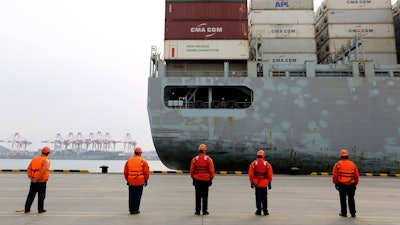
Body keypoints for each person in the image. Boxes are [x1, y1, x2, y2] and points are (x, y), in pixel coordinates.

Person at [332, 149, 359, 218]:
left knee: (343, 199)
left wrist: (335, 182)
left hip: (342, 184)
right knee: (351, 198)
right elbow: (356, 175)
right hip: (351, 184)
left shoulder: (338, 164)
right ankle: (353, 213)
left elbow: (335, 175)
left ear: (341, 156)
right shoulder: (353, 164)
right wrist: (356, 183)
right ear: (348, 156)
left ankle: (344, 212)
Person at [24, 146, 51, 213]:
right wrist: (37, 178)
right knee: (41, 195)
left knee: (31, 195)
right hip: (41, 181)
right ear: (48, 153)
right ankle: (40, 209)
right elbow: (43, 170)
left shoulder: (35, 158)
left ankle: (27, 209)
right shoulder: (46, 160)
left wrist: (30, 177)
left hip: (33, 180)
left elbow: (29, 168)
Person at [190, 144, 215, 216]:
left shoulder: (194, 159)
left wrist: (193, 177)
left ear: (199, 150)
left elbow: (192, 170)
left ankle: (197, 211)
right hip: (206, 180)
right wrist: (211, 178)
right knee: (205, 196)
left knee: (197, 196)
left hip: (197, 180)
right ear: (204, 150)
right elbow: (211, 170)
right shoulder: (208, 159)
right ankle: (205, 211)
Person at [124, 147, 150, 215]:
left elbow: (125, 172)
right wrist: (146, 180)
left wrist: (128, 179)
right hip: (140, 181)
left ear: (134, 153)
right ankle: (136, 210)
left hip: (131, 181)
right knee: (138, 196)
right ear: (140, 153)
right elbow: (146, 172)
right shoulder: (143, 161)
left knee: (131, 196)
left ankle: (131, 210)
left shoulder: (129, 161)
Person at [248, 150, 273, 216]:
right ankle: (265, 211)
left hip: (257, 183)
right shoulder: (267, 164)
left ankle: (258, 211)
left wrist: (251, 182)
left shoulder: (253, 164)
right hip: (264, 183)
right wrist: (270, 182)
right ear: (263, 155)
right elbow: (270, 174)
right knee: (264, 197)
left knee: (258, 197)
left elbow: (251, 174)